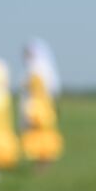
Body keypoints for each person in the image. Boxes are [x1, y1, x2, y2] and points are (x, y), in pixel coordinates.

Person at [20, 38, 64, 169]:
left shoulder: (35, 68)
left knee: (38, 134)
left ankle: (40, 163)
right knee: (45, 134)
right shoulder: (47, 68)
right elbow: (55, 89)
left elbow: (29, 87)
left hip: (36, 107)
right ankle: (43, 163)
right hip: (46, 105)